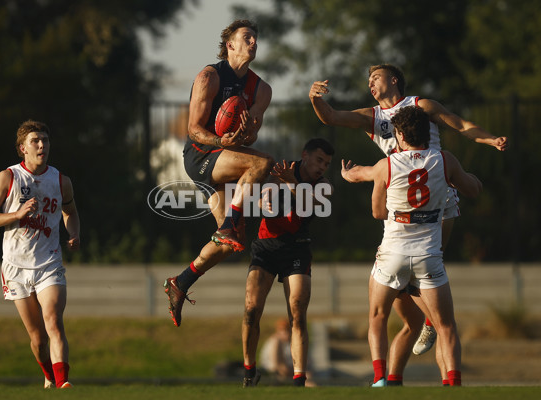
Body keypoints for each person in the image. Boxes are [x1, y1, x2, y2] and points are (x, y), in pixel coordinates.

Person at [310, 64, 507, 384]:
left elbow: (460, 124)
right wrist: (315, 98)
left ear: (394, 80)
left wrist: (489, 140)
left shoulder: (421, 106)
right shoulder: (371, 116)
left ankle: (407, 358)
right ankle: (417, 355)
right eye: (368, 80)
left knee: (426, 274)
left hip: (436, 195)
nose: (370, 83)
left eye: (375, 77)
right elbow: (331, 116)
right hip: (404, 198)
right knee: (425, 296)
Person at [345, 105, 482, 387]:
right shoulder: (444, 160)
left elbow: (376, 212)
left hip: (392, 255)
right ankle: (453, 384)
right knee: (445, 326)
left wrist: (354, 176)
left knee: (377, 316)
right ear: (427, 134)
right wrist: (473, 181)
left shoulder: (388, 164)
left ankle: (380, 378)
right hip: (428, 256)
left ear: (399, 135)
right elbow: (472, 190)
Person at [164, 20, 274, 327]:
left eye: (256, 37)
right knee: (262, 163)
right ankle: (228, 223)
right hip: (201, 154)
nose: (253, 42)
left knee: (230, 242)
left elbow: (250, 136)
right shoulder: (209, 76)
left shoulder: (261, 89)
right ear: (230, 45)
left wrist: (246, 133)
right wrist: (221, 139)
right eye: (246, 37)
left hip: (227, 155)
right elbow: (193, 129)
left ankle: (180, 282)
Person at [0, 120, 80, 389]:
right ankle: (49, 376)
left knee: (53, 322)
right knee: (38, 339)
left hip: (49, 261)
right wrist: (17, 214)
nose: (41, 145)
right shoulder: (8, 177)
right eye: (35, 140)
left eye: (45, 140)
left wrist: (74, 233)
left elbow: (70, 212)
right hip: (16, 267)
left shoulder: (61, 180)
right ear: (22, 148)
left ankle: (63, 384)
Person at [242, 138, 333, 387]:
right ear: (305, 155)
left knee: (297, 312)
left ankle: (298, 381)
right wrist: (263, 201)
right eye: (319, 160)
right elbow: (262, 196)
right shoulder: (281, 170)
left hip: (297, 248)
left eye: (326, 163)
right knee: (251, 309)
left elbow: (314, 203)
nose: (322, 167)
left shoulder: (323, 185)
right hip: (266, 246)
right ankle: (249, 371)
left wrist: (293, 184)